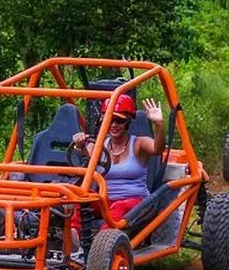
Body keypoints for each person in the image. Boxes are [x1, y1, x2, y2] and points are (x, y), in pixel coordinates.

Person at [70, 94, 165, 238]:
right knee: (82, 196)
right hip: (106, 202)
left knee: (119, 207)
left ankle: (102, 242)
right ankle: (72, 236)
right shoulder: (98, 146)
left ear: (128, 122)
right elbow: (85, 169)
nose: (114, 125)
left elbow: (158, 148)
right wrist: (80, 146)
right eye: (110, 120)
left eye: (119, 120)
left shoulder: (139, 143)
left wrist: (158, 125)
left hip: (137, 203)